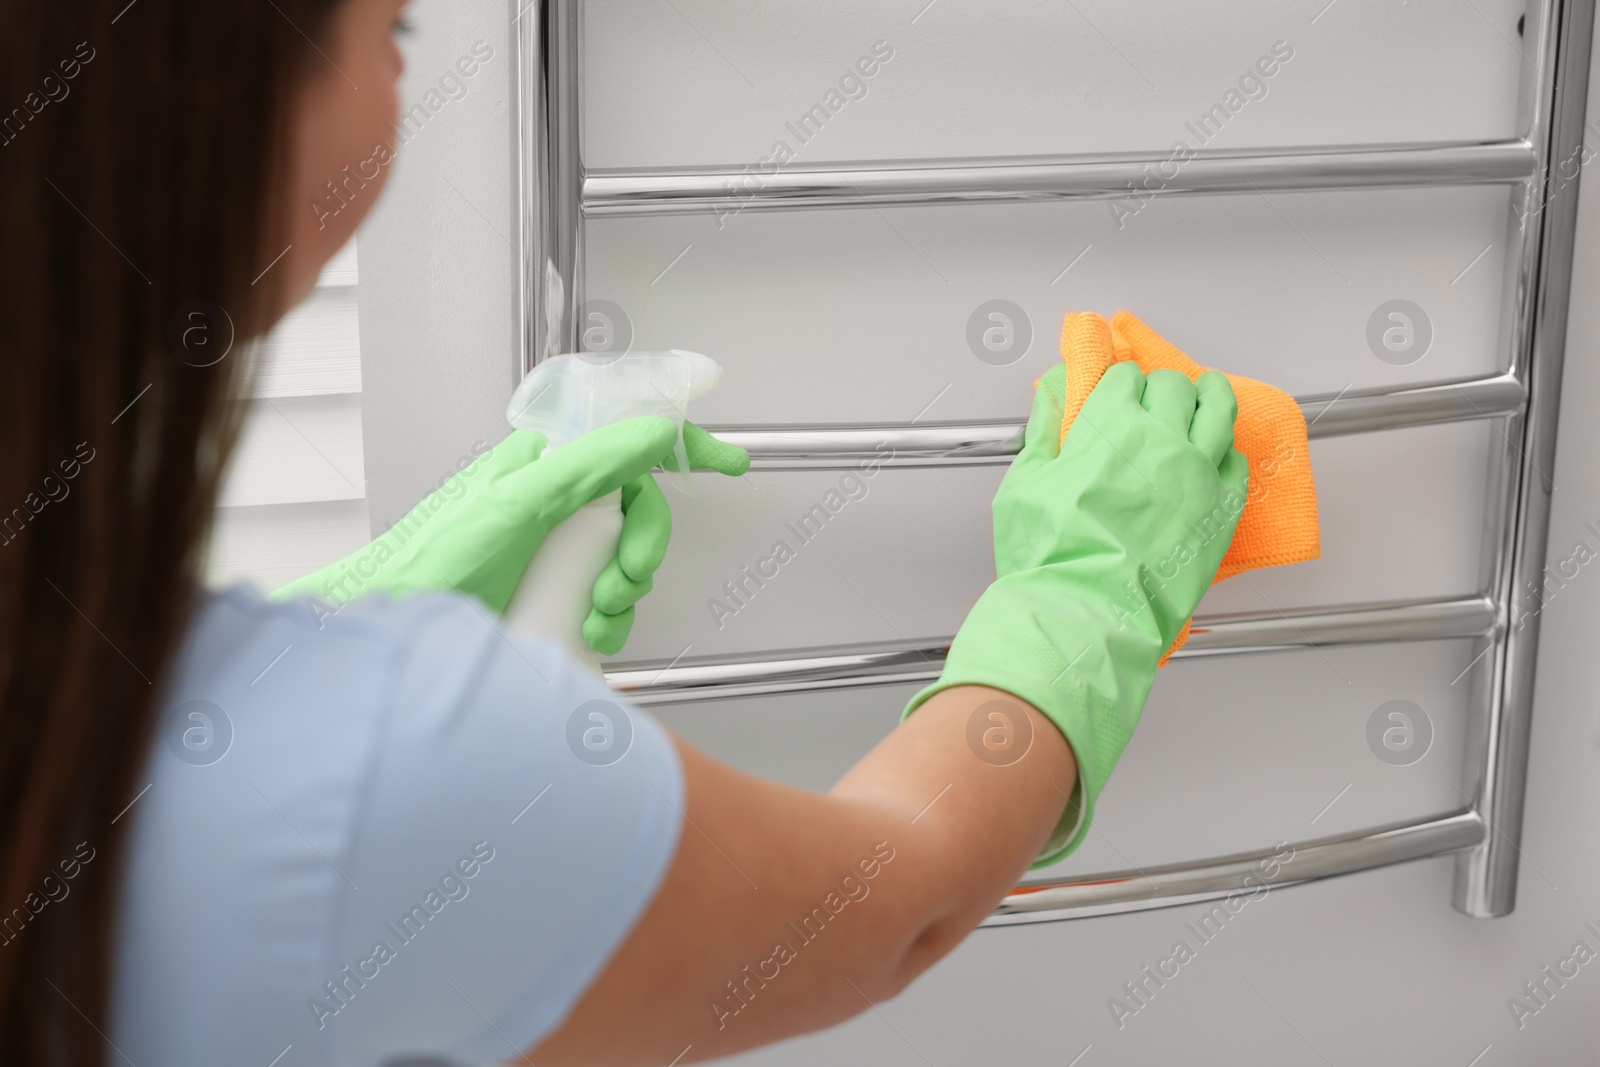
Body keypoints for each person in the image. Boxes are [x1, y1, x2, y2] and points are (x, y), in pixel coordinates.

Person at [0, 1, 1246, 1064]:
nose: (403, 59)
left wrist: (331, 627)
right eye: (393, 28)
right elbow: (885, 907)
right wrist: (1084, 594)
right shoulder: (369, 785)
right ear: (209, 100)